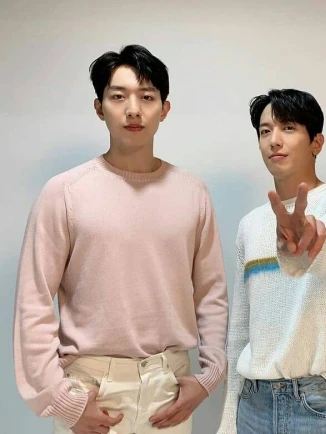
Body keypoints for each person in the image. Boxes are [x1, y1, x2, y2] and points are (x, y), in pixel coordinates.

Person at [13, 44, 228, 434]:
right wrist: (61, 399)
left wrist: (210, 376)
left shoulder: (192, 192)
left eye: (147, 97)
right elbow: (34, 300)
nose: (133, 109)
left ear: (164, 108)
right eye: (118, 96)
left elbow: (211, 291)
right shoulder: (64, 192)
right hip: (90, 388)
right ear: (99, 107)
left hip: (170, 388)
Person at [217, 89, 326, 434]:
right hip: (253, 405)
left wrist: (307, 243)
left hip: (321, 406)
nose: (274, 140)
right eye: (265, 131)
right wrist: (228, 419)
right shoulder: (250, 225)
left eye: (288, 128)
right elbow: (240, 330)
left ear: (316, 142)